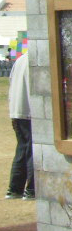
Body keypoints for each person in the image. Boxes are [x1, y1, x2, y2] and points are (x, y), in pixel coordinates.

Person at [5, 52, 34, 200]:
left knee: (22, 149)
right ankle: (32, 189)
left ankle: (14, 189)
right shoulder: (35, 60)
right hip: (29, 110)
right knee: (32, 150)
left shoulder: (20, 59)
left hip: (17, 109)